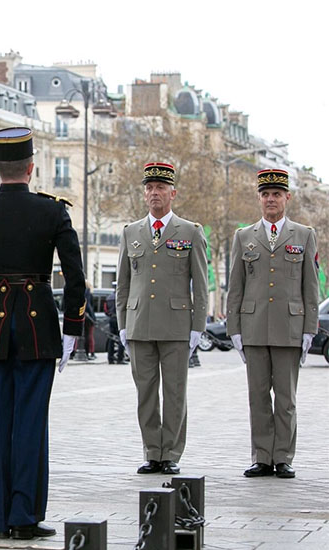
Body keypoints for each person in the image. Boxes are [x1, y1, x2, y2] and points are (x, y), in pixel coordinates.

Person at [0, 127, 84, 540]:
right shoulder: (53, 210)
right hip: (38, 327)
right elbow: (75, 275)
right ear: (31, 167)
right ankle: (24, 514)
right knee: (29, 422)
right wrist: (73, 328)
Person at [226, 169, 320, 480]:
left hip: (289, 327)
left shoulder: (304, 235)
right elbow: (235, 286)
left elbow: (310, 286)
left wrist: (310, 329)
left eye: (276, 194)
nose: (270, 199)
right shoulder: (244, 236)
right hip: (254, 326)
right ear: (259, 198)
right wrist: (234, 329)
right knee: (257, 396)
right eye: (265, 194)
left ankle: (283, 457)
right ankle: (261, 457)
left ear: (286, 198)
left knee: (286, 398)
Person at [116, 162, 208, 475]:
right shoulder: (131, 232)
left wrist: (198, 326)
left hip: (176, 326)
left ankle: (170, 453)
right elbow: (123, 284)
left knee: (174, 393)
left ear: (173, 193)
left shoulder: (190, 232)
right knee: (145, 394)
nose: (155, 193)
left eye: (161, 188)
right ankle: (151, 452)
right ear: (145, 194)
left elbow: (201, 284)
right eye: (150, 188)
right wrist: (123, 324)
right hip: (140, 323)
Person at [104, 282, 126, 364]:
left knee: (111, 339)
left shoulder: (109, 297)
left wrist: (109, 315)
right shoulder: (121, 297)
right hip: (119, 318)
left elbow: (105, 310)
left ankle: (110, 358)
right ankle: (120, 358)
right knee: (121, 338)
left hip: (111, 318)